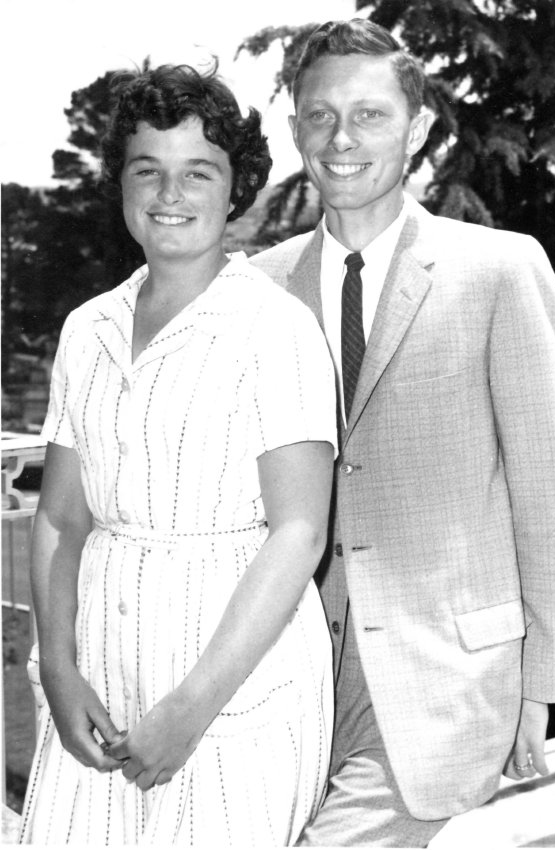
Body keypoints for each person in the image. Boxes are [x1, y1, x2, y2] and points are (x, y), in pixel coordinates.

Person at [250, 18, 555, 848]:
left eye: (369, 115)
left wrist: (542, 683)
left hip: (444, 676)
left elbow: (554, 493)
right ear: (295, 129)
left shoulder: (499, 268)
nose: (341, 139)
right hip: (283, 677)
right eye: (320, 115)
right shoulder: (256, 289)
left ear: (417, 129)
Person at [19, 62, 338, 846]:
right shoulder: (87, 329)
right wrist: (58, 667)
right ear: (121, 183)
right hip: (99, 674)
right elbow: (59, 516)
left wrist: (190, 710)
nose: (170, 193)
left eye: (198, 172)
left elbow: (299, 532)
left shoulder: (276, 329)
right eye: (147, 170)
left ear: (236, 189)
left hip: (229, 687)